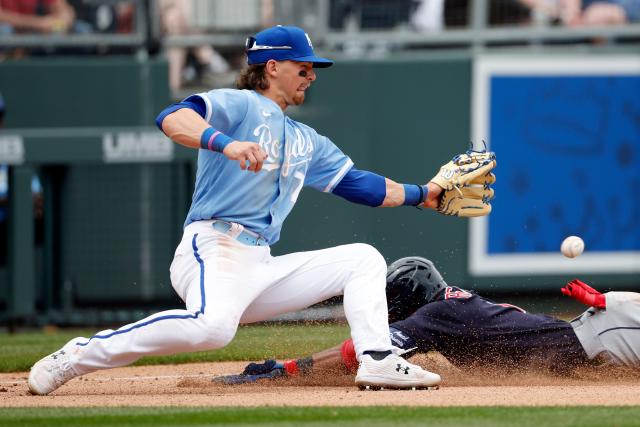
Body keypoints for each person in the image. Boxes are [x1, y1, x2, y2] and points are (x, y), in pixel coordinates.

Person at [27, 25, 496, 395]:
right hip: (213, 247)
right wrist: (225, 144)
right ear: (272, 67)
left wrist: (423, 194)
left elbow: (361, 186)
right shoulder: (239, 105)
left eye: (314, 69)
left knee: (363, 259)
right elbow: (172, 117)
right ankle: (78, 355)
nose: (311, 75)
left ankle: (376, 359)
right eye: (303, 67)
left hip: (259, 264)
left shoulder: (307, 140)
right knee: (213, 329)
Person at [218, 257, 640, 384]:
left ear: (407, 294)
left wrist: (288, 369)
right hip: (581, 343)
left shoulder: (440, 313)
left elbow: (360, 353)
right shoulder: (448, 309)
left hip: (590, 338)